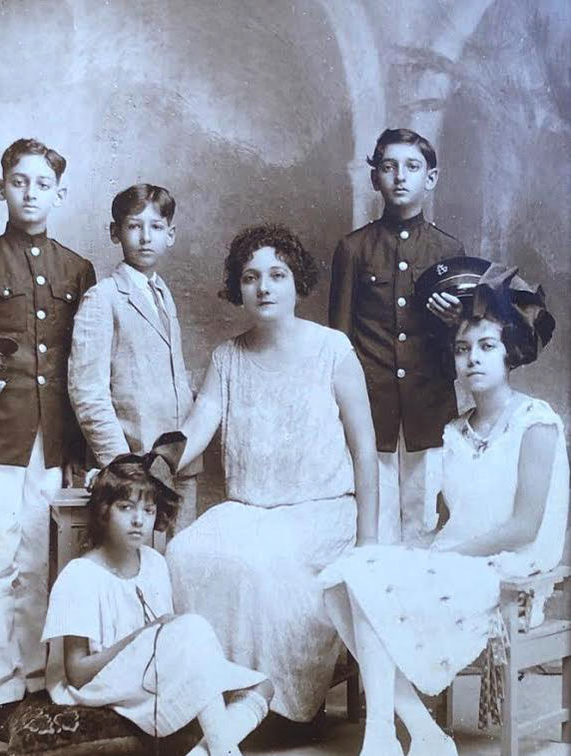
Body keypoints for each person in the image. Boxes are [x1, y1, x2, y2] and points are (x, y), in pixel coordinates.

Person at [320, 259, 568, 756]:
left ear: (511, 354)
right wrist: (415, 552)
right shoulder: (453, 432)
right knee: (349, 573)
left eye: (486, 347)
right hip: (461, 559)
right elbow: (448, 526)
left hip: (512, 573)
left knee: (368, 583)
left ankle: (390, 734)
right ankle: (411, 733)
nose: (473, 359)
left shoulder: (535, 422)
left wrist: (439, 559)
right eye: (462, 350)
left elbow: (523, 527)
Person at [166, 224, 379, 722]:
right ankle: (207, 693)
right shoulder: (227, 356)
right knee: (184, 552)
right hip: (248, 509)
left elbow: (365, 449)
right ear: (237, 288)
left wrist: (368, 539)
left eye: (277, 275)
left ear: (295, 282)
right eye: (250, 277)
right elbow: (198, 424)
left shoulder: (333, 350)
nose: (263, 287)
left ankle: (270, 701)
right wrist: (155, 461)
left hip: (322, 512)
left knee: (257, 566)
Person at [0, 138, 95, 737]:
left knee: (38, 562)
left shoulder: (76, 269)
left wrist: (79, 453)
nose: (30, 192)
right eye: (19, 182)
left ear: (59, 193)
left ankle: (37, 680)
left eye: (42, 183)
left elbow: (82, 369)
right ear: (0, 188)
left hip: (51, 440)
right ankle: (1, 688)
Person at [42, 449, 272, 756]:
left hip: (147, 676)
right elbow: (78, 674)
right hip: (101, 684)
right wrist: (144, 635)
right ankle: (224, 750)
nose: (139, 521)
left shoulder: (154, 563)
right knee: (193, 629)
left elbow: (167, 648)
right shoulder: (80, 575)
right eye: (126, 508)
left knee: (263, 685)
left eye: (148, 511)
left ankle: (212, 750)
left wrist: (163, 638)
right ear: (104, 511)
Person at [329, 127, 466, 544]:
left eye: (412, 166)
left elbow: (463, 347)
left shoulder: (449, 250)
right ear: (375, 178)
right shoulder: (354, 249)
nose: (400, 177)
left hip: (429, 404)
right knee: (374, 516)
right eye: (389, 167)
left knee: (426, 517)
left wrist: (455, 321)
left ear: (432, 177)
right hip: (371, 407)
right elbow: (338, 340)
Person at [68, 183, 201, 535]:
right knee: (139, 563)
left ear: (170, 235)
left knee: (180, 564)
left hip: (178, 463)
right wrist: (121, 466)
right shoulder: (103, 298)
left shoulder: (162, 292)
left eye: (156, 227)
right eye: (133, 226)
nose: (145, 237)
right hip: (136, 466)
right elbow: (88, 392)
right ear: (115, 232)